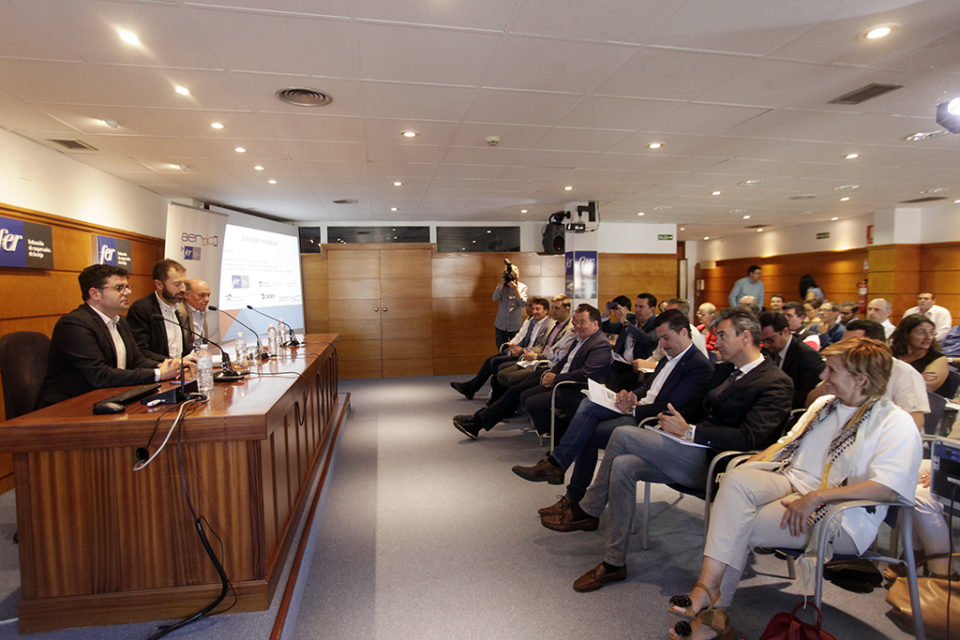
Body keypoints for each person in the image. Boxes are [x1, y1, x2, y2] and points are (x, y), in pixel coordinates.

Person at [666, 338, 921, 640]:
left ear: (860, 379)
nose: (823, 377)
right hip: (792, 481)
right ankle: (706, 592)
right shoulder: (825, 405)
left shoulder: (895, 423)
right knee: (734, 481)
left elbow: (888, 489)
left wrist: (816, 497)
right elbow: (787, 445)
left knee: (737, 523)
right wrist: (750, 464)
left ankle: (713, 613)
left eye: (831, 371)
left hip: (843, 515)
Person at [543, 309, 794, 593]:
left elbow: (751, 437)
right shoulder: (725, 370)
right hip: (690, 449)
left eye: (722, 335)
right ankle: (614, 562)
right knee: (624, 464)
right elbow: (697, 407)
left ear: (746, 336)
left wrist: (689, 431)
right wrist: (672, 422)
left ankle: (587, 508)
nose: (715, 342)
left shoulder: (776, 382)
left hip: (718, 465)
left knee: (622, 434)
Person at [510, 309, 713, 489]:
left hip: (649, 419)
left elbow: (670, 406)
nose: (662, 344)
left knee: (587, 431)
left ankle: (564, 478)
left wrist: (632, 408)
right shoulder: (670, 357)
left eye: (666, 338)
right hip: (638, 406)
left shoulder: (698, 365)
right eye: (660, 339)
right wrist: (632, 394)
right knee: (589, 403)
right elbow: (649, 387)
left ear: (684, 333)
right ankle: (558, 469)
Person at [37, 264, 184, 408]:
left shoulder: (120, 321)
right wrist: (158, 373)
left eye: (127, 287)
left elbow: (136, 360)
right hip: (70, 407)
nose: (127, 292)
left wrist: (168, 366)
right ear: (94, 294)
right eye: (119, 288)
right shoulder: (74, 325)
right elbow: (100, 375)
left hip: (109, 397)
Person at [518, 304, 613, 437]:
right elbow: (565, 360)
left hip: (578, 389)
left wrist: (556, 379)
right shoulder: (580, 338)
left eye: (582, 322)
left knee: (532, 403)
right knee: (524, 396)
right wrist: (552, 374)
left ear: (595, 324)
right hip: (563, 381)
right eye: (577, 322)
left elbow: (585, 373)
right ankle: (562, 430)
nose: (578, 326)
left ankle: (560, 435)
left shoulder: (600, 344)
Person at [451, 297, 552, 400]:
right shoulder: (532, 321)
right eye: (531, 307)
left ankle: (489, 392)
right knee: (490, 360)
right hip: (522, 351)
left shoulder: (548, 324)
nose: (533, 311)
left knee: (495, 362)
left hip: (528, 355)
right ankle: (474, 388)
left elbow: (540, 346)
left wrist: (521, 350)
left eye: (537, 309)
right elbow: (524, 338)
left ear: (546, 311)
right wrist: (514, 346)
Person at [126, 258, 193, 362]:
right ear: (159, 285)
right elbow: (140, 351)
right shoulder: (142, 309)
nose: (183, 289)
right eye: (177, 284)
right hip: (157, 373)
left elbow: (180, 348)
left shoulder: (176, 308)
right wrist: (176, 363)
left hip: (179, 372)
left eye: (184, 283)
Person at [758, 311, 824, 409]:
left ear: (785, 331)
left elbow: (808, 396)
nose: (766, 345)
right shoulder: (766, 351)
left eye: (770, 340)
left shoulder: (808, 356)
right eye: (762, 341)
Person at [891, 314, 949, 395]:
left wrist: (891, 376)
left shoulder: (939, 358)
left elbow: (926, 387)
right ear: (905, 333)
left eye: (932, 333)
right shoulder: (889, 352)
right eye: (921, 332)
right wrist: (917, 377)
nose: (928, 337)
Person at [492, 262, 528, 348]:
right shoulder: (501, 286)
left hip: (515, 325)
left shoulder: (523, 287)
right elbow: (494, 299)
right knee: (501, 350)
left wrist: (515, 289)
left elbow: (523, 304)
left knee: (515, 351)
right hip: (501, 325)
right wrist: (500, 285)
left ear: (516, 276)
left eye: (511, 275)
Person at [183, 278, 214, 342]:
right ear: (186, 295)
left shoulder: (201, 310)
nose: (207, 299)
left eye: (208, 295)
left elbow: (204, 340)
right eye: (202, 295)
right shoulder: (180, 312)